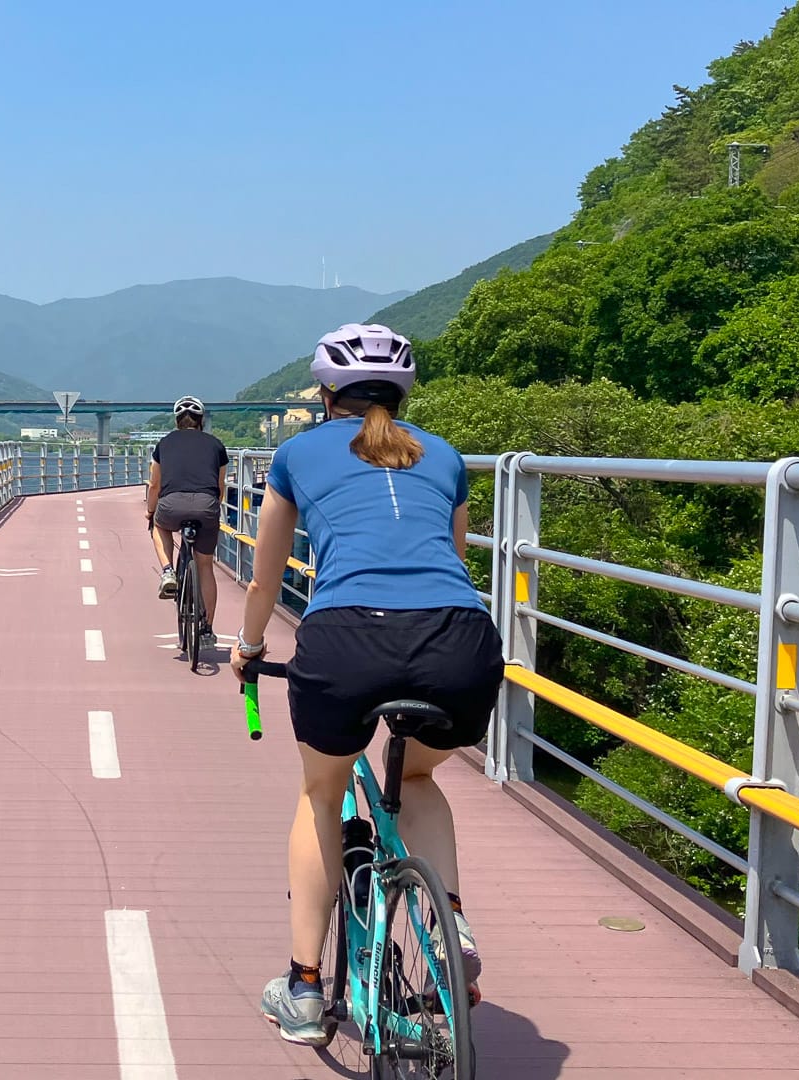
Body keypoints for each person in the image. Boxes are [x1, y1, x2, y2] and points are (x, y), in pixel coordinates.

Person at [230, 323, 503, 1046]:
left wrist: (249, 648)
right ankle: (449, 926)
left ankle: (304, 988)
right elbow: (451, 562)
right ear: (403, 393)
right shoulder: (444, 456)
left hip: (346, 638)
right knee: (416, 779)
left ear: (326, 395)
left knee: (321, 794)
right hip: (460, 640)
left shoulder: (295, 455)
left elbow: (264, 579)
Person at [147, 396, 229, 650]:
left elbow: (155, 484)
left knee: (159, 525)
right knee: (205, 566)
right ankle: (207, 630)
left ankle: (168, 571)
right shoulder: (216, 445)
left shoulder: (164, 443)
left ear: (177, 421)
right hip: (206, 505)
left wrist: (150, 511)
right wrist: (212, 508)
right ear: (201, 421)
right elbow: (220, 486)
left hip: (171, 504)